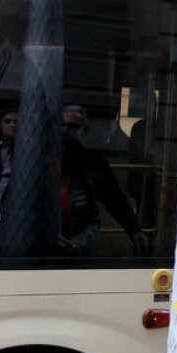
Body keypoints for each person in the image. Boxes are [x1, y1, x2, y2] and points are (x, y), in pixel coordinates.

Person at [63, 104, 149, 254]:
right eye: (62, 126)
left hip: (77, 245)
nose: (65, 132)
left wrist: (134, 229)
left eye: (72, 127)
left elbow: (114, 199)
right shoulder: (42, 160)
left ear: (84, 131)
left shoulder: (92, 165)